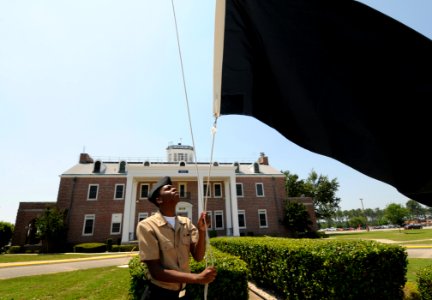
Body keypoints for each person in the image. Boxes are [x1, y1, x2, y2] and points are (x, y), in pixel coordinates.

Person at [136, 176, 217, 300]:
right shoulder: (146, 226)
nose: (174, 188)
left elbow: (199, 257)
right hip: (159, 294)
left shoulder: (186, 222)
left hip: (183, 294)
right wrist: (197, 278)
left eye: (173, 187)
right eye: (168, 188)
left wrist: (201, 230)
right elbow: (156, 272)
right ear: (159, 199)